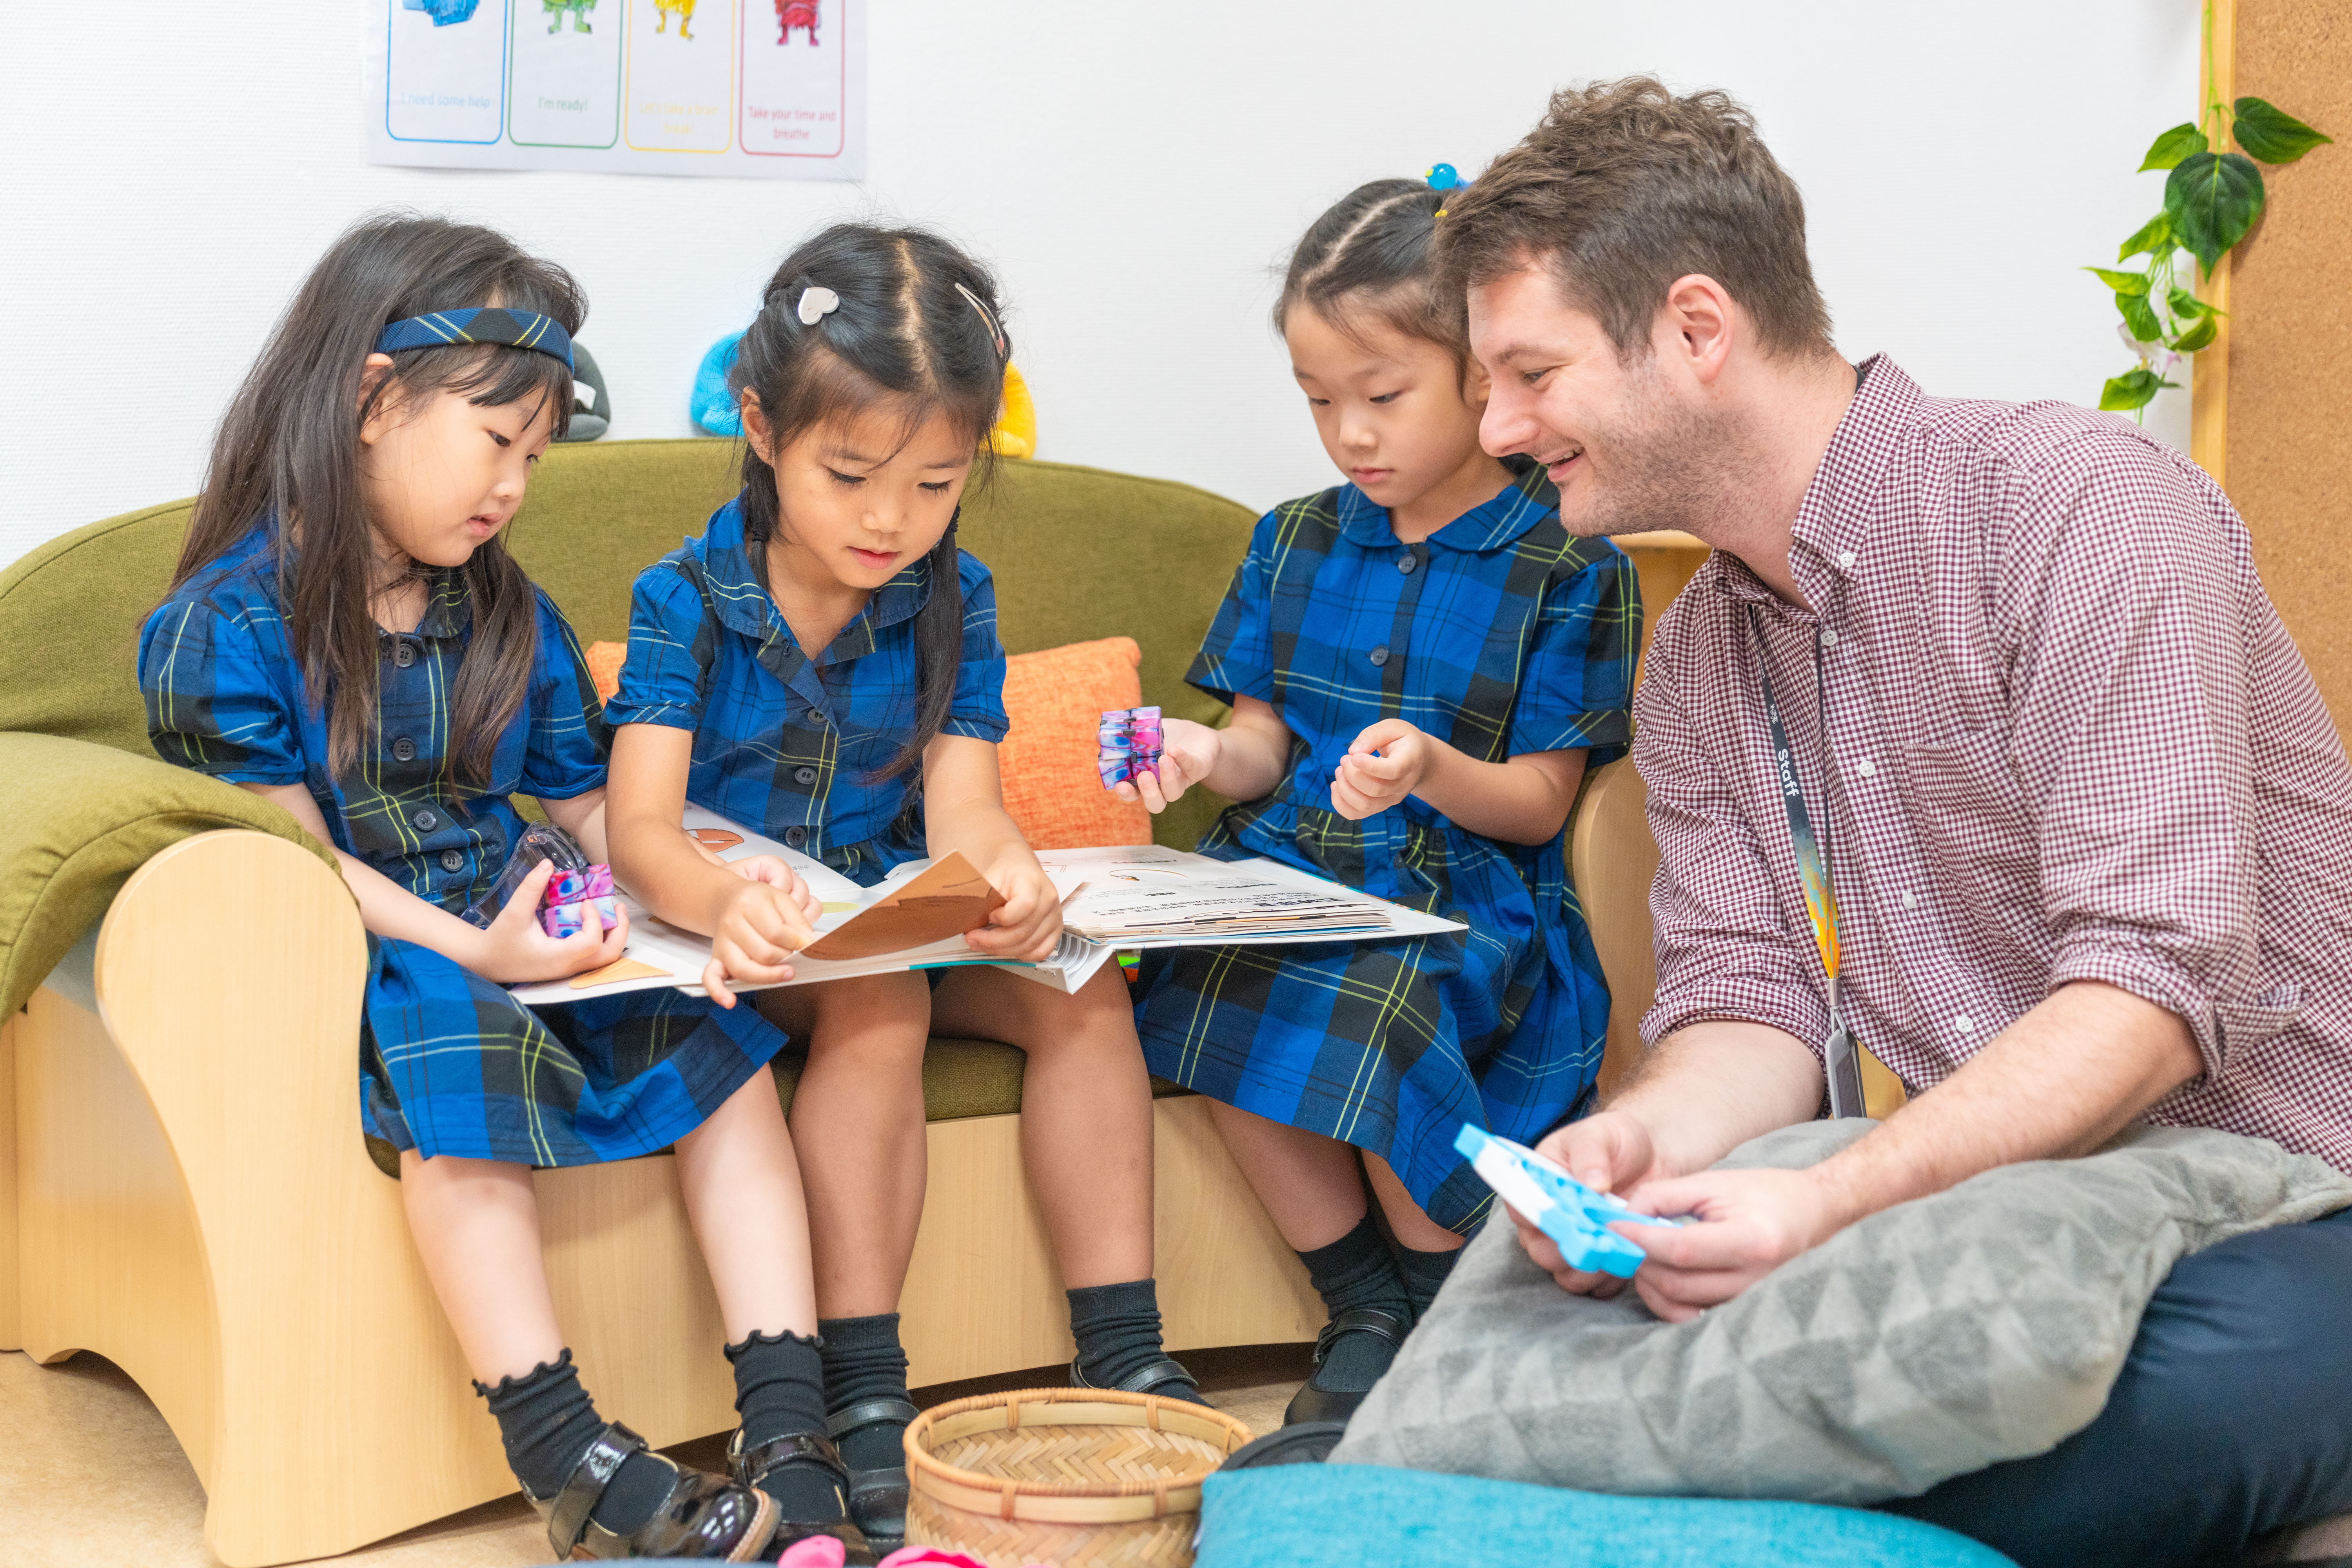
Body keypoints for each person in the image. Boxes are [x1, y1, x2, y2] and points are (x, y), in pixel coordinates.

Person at [1433, 77, 2352, 1568]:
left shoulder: (2077, 513)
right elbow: (1754, 1004)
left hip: (2298, 1207)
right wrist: (1631, 1151)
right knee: (1564, 1364)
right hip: (2029, 1228)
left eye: (1530, 373)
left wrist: (1835, 1205)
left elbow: (2150, 999)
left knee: (2051, 1420)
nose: (1496, 424)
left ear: (1696, 329)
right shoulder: (1704, 656)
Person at [136, 216, 867, 1563]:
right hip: (391, 935)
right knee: (451, 1054)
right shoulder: (223, 627)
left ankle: (788, 1422)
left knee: (719, 1048)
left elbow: (589, 803)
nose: (515, 488)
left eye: (534, 458)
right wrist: (483, 952)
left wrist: (710, 869)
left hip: (528, 908)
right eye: (496, 445)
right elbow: (301, 859)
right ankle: (569, 1458)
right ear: (371, 399)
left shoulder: (501, 609)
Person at [603, 223, 1197, 1553]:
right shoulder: (686, 599)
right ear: (762, 428)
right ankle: (865, 1393)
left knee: (1080, 994)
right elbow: (639, 827)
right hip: (741, 933)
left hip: (881, 907)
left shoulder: (953, 597)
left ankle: (1124, 1349)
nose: (890, 520)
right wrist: (720, 900)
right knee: (882, 1011)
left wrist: (1013, 878)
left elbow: (966, 802)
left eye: (935, 484)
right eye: (852, 474)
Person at [1120, 177, 1640, 1426]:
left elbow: (1535, 807)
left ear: (1481, 374)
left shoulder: (1568, 557)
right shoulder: (1293, 539)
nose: (1349, 434)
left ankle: (1443, 1298)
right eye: (1317, 402)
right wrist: (1201, 762)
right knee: (1194, 977)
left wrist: (1428, 770)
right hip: (1292, 873)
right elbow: (1257, 746)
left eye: (1381, 396)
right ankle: (1363, 1299)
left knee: (1381, 998)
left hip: (1471, 901)